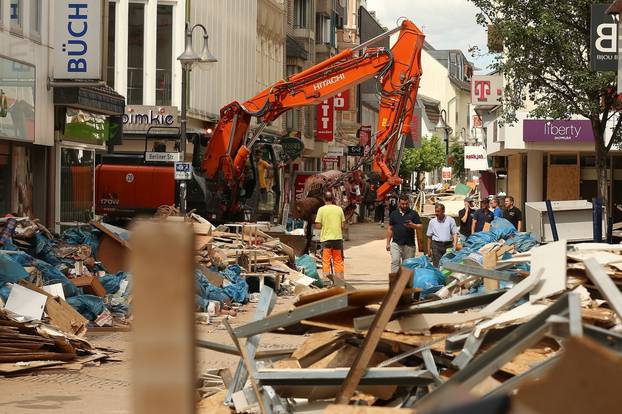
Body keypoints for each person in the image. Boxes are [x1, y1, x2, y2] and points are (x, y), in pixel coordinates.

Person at [315, 191, 346, 283]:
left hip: (326, 239)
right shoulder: (339, 209)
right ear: (333, 199)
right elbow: (343, 225)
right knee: (338, 260)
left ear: (324, 199)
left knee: (326, 261)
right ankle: (339, 280)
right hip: (337, 239)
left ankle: (326, 280)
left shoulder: (321, 210)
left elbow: (318, 226)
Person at [386, 194, 422, 273]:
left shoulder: (413, 214)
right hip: (396, 243)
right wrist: (388, 243)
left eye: (406, 204)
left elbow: (420, 226)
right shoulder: (394, 214)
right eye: (402, 204)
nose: (404, 205)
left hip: (409, 244)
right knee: (395, 261)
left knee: (407, 265)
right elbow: (390, 229)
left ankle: (404, 284)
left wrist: (413, 225)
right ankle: (395, 282)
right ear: (399, 203)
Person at [426, 203, 459, 268]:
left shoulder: (450, 220)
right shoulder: (432, 222)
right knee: (437, 265)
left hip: (448, 245)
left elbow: (455, 234)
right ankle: (437, 276)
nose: (436, 213)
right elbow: (429, 237)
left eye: (438, 211)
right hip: (436, 246)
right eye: (436, 211)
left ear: (443, 211)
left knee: (448, 265)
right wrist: (428, 249)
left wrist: (454, 246)